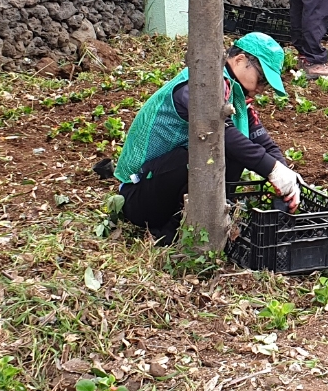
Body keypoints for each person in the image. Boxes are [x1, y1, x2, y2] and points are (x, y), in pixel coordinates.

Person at [113, 33, 301, 244]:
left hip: (160, 184)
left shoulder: (234, 93)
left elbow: (261, 141)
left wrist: (285, 175)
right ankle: (168, 232)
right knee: (206, 154)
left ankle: (208, 221)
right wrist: (272, 170)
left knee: (234, 151)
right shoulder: (202, 86)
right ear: (240, 60)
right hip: (139, 195)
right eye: (263, 79)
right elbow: (224, 137)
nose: (261, 88)